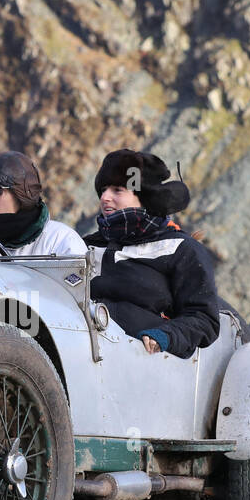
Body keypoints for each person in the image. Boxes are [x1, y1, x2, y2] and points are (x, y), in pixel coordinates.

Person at [82, 149, 220, 356]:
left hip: (149, 364)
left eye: (117, 190)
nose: (105, 198)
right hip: (84, 351)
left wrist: (166, 335)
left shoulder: (182, 249)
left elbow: (204, 319)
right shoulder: (87, 246)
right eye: (103, 190)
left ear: (144, 198)